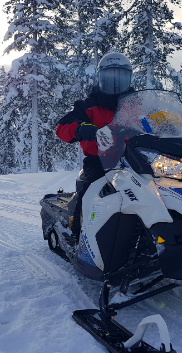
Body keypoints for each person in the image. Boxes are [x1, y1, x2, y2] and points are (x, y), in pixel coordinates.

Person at [56, 52, 134, 238]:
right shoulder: (88, 105)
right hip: (100, 161)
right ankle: (78, 233)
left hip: (135, 160)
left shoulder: (136, 105)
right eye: (109, 77)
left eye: (120, 77)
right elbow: (62, 127)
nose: (115, 83)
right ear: (100, 78)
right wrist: (80, 128)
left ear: (129, 79)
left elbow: (155, 121)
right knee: (91, 191)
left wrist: (169, 126)